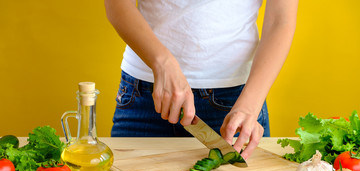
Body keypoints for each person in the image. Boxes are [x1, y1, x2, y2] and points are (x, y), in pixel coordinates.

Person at [105, 0, 298, 160]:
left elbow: (280, 20)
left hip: (236, 104)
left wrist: (249, 107)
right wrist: (162, 63)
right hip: (145, 96)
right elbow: (117, 4)